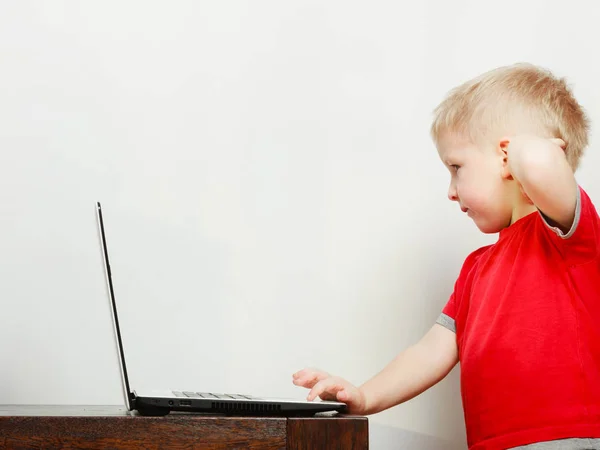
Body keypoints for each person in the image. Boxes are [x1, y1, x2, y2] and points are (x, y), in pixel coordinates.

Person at [293, 63, 600, 450]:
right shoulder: (476, 269)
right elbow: (430, 351)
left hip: (565, 439)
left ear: (507, 157)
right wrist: (366, 396)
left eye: (457, 168)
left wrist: (523, 149)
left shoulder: (569, 238)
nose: (451, 191)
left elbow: (541, 165)